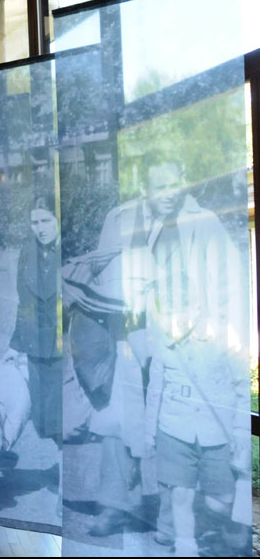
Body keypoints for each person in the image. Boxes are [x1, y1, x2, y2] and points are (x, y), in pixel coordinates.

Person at [137, 157, 250, 555]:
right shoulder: (149, 226)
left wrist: (215, 327)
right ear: (147, 190)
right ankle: (175, 524)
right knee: (170, 427)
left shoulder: (205, 224)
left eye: (171, 185)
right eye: (156, 187)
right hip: (162, 335)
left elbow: (229, 281)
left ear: (182, 183)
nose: (164, 194)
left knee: (200, 427)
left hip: (200, 337)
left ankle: (202, 517)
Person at [8, 194, 63, 444]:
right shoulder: (28, 251)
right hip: (36, 338)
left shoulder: (69, 248)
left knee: (61, 410)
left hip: (64, 341)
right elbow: (23, 296)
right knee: (41, 410)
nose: (40, 229)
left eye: (45, 221)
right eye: (34, 223)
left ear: (58, 219)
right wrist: (20, 341)